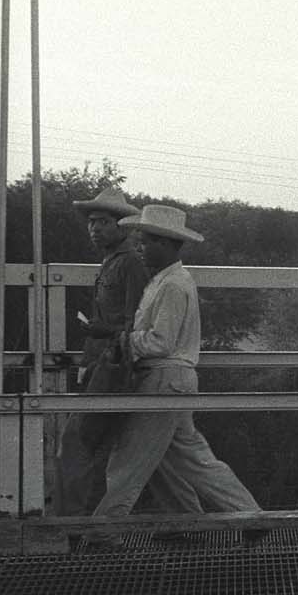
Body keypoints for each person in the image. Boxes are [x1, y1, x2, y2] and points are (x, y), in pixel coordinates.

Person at [93, 205, 262, 518]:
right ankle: (234, 515)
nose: (140, 249)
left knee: (129, 455)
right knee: (184, 458)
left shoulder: (172, 285)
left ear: (166, 245)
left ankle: (105, 526)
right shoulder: (165, 281)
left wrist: (123, 340)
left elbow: (161, 342)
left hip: (163, 377)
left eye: (146, 243)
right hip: (174, 378)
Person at [55, 186, 152, 515]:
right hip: (97, 364)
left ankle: (73, 526)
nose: (94, 229)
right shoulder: (110, 262)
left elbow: (135, 326)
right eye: (91, 222)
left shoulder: (130, 265)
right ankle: (182, 521)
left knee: (77, 442)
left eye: (102, 222)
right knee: (155, 450)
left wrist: (99, 331)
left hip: (112, 368)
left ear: (119, 225)